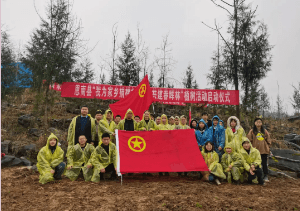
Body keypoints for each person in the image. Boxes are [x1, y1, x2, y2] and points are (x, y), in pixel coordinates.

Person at [247, 117, 271, 182]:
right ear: (254, 123)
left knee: (264, 163)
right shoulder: (252, 131)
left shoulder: (265, 131)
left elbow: (268, 140)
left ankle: (265, 175)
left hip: (264, 150)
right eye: (257, 122)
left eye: (260, 122)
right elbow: (248, 140)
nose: (258, 123)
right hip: (255, 150)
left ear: (261, 123)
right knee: (256, 163)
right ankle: (257, 176)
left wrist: (268, 147)